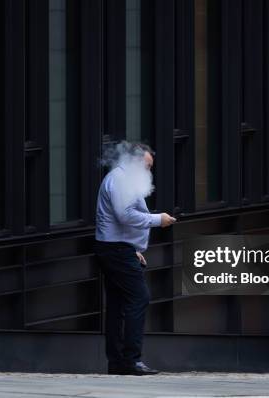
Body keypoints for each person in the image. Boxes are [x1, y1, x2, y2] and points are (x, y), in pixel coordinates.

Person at [94, 142, 176, 375]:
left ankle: (119, 362)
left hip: (117, 249)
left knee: (118, 305)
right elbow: (125, 215)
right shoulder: (120, 180)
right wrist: (158, 219)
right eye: (147, 166)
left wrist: (132, 247)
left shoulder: (119, 179)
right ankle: (131, 361)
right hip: (116, 251)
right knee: (139, 298)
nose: (148, 172)